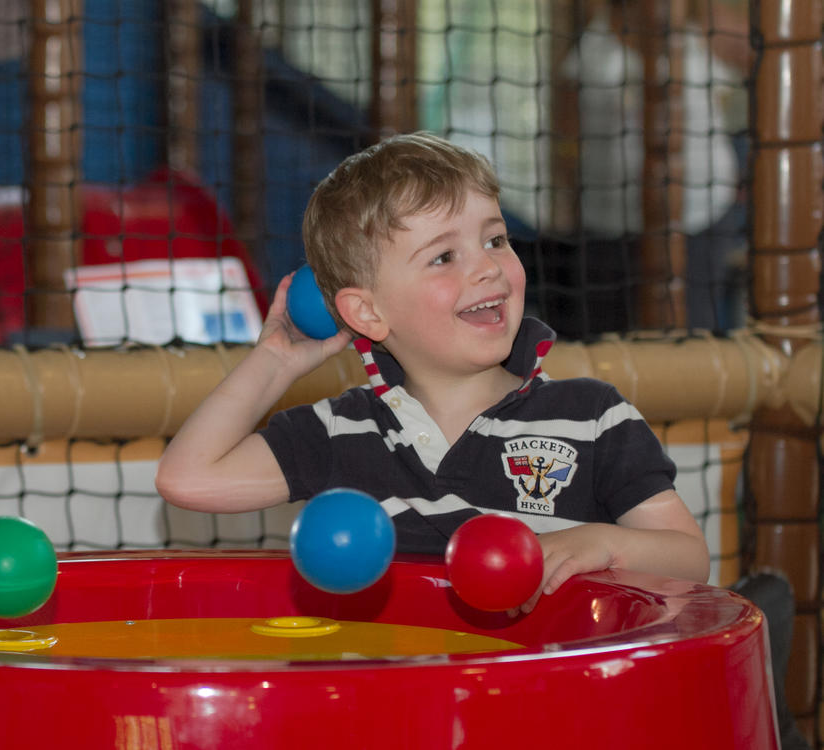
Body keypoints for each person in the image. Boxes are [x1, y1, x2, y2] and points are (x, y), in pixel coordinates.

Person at [155, 131, 710, 611]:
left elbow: (689, 557)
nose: (488, 266)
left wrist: (604, 543)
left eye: (495, 240)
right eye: (445, 257)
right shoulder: (343, 433)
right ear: (367, 312)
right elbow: (187, 478)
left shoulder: (591, 416)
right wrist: (275, 361)